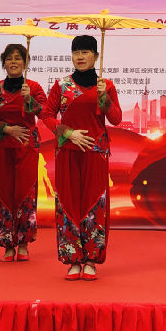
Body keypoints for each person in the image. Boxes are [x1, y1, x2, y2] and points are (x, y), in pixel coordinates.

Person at [41, 34, 121, 281]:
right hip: (68, 152)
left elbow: (116, 118)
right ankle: (73, 259)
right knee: (68, 203)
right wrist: (68, 133)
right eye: (76, 52)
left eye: (85, 52)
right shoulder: (62, 85)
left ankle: (91, 260)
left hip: (96, 153)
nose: (80, 56)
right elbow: (46, 114)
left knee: (94, 204)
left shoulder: (105, 86)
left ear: (95, 56)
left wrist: (105, 99)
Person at [0, 43, 47, 262]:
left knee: (25, 194)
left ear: (25, 63)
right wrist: (7, 129)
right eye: (9, 58)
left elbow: (45, 113)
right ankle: (8, 245)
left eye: (18, 58)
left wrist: (30, 100)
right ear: (4, 63)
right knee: (3, 193)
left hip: (27, 147)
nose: (14, 62)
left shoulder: (33, 87)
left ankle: (24, 243)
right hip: (1, 147)